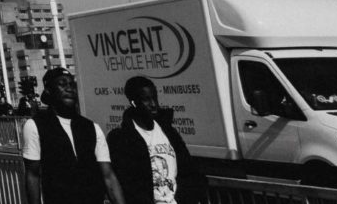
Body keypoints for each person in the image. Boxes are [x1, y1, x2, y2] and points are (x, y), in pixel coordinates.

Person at [21, 66, 127, 204]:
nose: (69, 89)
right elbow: (33, 175)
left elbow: (108, 176)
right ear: (48, 90)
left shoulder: (92, 128)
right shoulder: (35, 126)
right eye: (62, 84)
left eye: (71, 84)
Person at [107, 75, 207, 204]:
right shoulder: (122, 138)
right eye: (146, 100)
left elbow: (188, 170)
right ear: (134, 103)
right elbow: (128, 183)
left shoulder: (168, 131)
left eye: (154, 98)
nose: (153, 104)